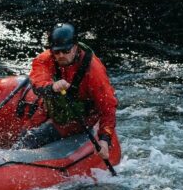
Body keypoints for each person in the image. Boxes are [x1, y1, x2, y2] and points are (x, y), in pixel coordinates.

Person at [14, 23, 117, 161]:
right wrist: (51, 87)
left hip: (78, 118)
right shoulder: (46, 58)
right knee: (23, 136)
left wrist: (105, 138)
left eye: (66, 51)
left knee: (31, 139)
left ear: (75, 47)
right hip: (53, 110)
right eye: (57, 52)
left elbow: (107, 106)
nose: (61, 55)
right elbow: (38, 80)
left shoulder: (93, 71)